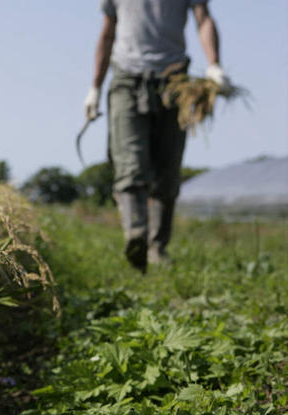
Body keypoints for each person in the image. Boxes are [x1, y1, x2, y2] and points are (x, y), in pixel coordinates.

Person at [84, 0, 230, 271]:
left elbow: (203, 19)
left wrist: (214, 65)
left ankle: (157, 248)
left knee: (167, 170)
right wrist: (95, 87)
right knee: (130, 163)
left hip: (174, 83)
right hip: (127, 80)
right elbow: (107, 32)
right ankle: (136, 235)